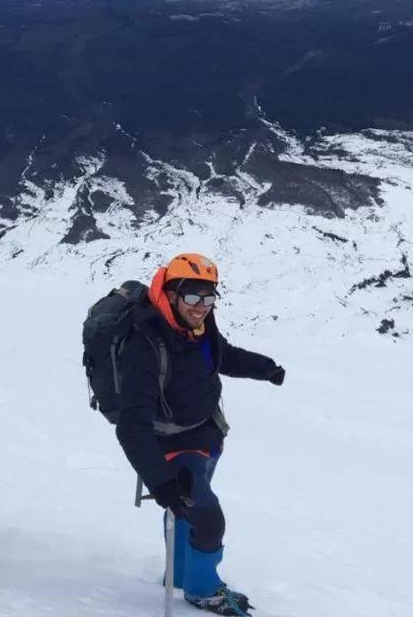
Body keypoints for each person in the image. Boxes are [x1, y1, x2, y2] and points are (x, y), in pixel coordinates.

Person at [115, 253, 285, 615]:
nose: (202, 307)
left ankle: (179, 576)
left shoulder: (196, 326)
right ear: (172, 293)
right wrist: (160, 483)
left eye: (209, 297)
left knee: (185, 507)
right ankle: (203, 590)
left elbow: (220, 355)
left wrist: (266, 369)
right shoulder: (143, 343)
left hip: (203, 433)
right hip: (168, 443)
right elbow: (132, 426)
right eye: (193, 296)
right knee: (206, 517)